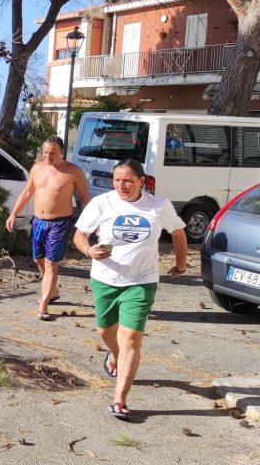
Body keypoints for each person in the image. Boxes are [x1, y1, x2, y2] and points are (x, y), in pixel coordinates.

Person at [73, 159, 188, 421]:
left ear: (141, 181)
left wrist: (181, 265)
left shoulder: (159, 206)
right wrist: (89, 250)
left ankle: (120, 399)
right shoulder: (103, 203)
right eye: (117, 180)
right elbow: (80, 235)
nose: (121, 185)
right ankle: (114, 355)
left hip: (141, 281)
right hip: (105, 280)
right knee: (105, 331)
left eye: (128, 180)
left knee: (131, 339)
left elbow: (179, 232)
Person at [5, 136, 91, 320]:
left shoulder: (73, 171)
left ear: (61, 152)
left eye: (52, 153)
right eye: (45, 152)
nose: (48, 156)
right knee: (39, 260)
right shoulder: (37, 168)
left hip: (60, 222)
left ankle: (43, 305)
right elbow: (27, 192)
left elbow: (84, 197)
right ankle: (52, 290)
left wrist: (86, 224)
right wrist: (13, 214)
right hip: (38, 221)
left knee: (52, 263)